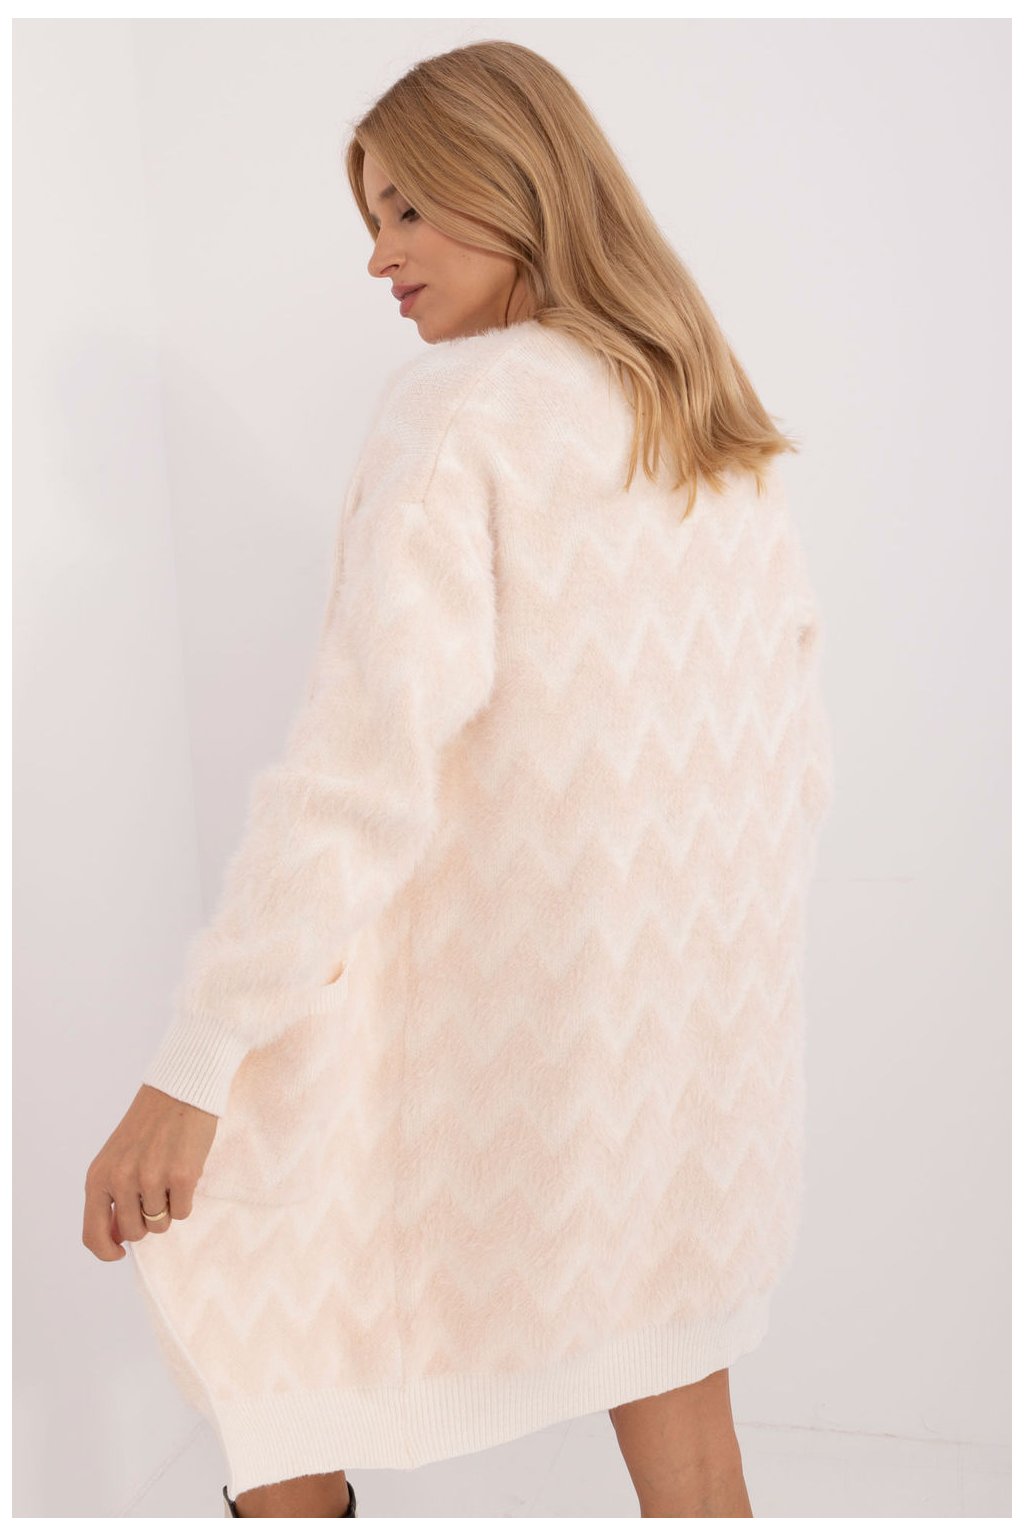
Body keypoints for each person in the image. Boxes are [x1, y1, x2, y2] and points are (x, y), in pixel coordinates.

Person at [82, 39, 834, 1519]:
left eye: (411, 209)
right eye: (373, 217)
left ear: (520, 184)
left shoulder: (465, 412)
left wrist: (199, 1058)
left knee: (248, 1284)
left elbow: (360, 773)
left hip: (497, 1024)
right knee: (675, 1375)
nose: (379, 255)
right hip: (689, 1035)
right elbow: (789, 758)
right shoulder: (711, 431)